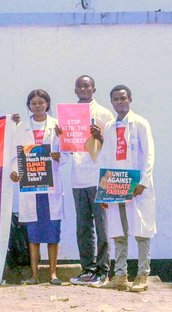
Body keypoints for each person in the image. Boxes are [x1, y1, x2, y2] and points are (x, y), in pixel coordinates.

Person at [93, 85, 155, 292]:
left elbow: (149, 155)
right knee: (118, 231)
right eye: (116, 99)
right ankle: (120, 275)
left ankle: (142, 275)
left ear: (130, 99)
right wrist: (103, 190)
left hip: (137, 186)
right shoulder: (110, 126)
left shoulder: (141, 124)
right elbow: (104, 158)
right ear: (111, 102)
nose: (119, 102)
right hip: (116, 186)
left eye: (123, 98)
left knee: (141, 230)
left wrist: (143, 182)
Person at [10, 89, 67, 285]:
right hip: (30, 185)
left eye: (41, 102)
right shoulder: (21, 128)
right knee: (33, 234)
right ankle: (34, 275)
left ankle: (53, 274)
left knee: (52, 231)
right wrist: (14, 172)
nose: (37, 106)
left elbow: (66, 152)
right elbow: (14, 155)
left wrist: (60, 156)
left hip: (50, 186)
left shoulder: (57, 126)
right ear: (29, 106)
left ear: (47, 104)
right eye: (33, 103)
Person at [62, 75, 114, 286]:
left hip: (99, 176)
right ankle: (88, 268)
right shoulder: (68, 114)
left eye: (87, 85)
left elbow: (112, 144)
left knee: (102, 226)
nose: (83, 88)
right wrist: (61, 136)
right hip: (78, 177)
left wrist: (100, 136)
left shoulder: (104, 113)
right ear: (75, 90)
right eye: (79, 86)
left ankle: (103, 271)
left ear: (94, 88)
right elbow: (66, 147)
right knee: (83, 227)